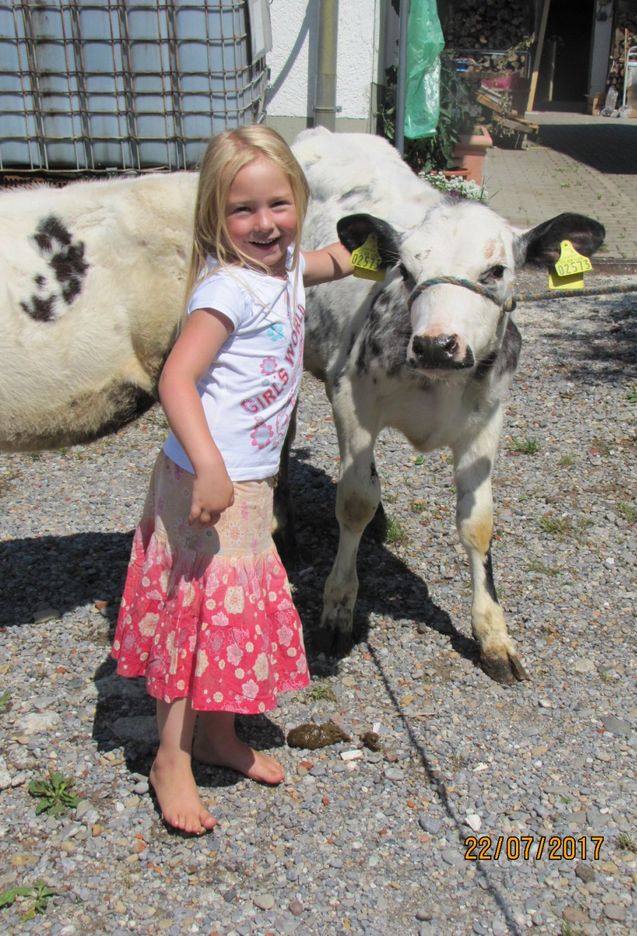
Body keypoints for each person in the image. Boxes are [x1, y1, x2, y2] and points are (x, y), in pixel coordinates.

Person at [111, 125, 353, 834]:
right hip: (209, 483)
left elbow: (333, 260)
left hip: (249, 485)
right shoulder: (226, 290)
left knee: (225, 618)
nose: (264, 223)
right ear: (215, 216)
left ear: (298, 200)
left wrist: (386, 242)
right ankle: (171, 758)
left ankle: (217, 737)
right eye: (242, 210)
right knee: (193, 621)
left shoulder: (285, 270)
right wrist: (211, 467)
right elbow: (176, 379)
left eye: (278, 204)